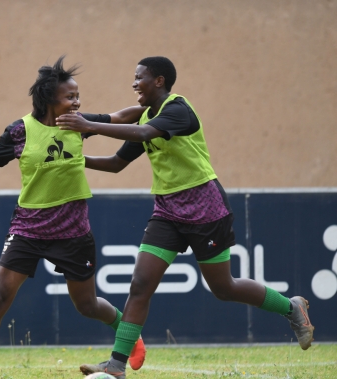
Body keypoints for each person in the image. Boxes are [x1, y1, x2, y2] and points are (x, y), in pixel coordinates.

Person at [56, 56, 315, 379]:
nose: (134, 83)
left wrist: (89, 126)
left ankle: (292, 308)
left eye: (140, 78)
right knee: (140, 284)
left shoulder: (178, 111)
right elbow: (115, 163)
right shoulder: (148, 117)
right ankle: (117, 365)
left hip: (205, 208)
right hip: (167, 212)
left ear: (159, 81)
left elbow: (144, 132)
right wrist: (73, 159)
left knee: (223, 287)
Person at [0, 56, 147, 379]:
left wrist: (157, 106)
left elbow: (120, 116)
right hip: (28, 228)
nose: (77, 101)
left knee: (86, 305)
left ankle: (129, 334)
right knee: (0, 294)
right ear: (49, 100)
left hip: (73, 231)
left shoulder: (79, 124)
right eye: (70, 96)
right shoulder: (19, 131)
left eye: (77, 95)